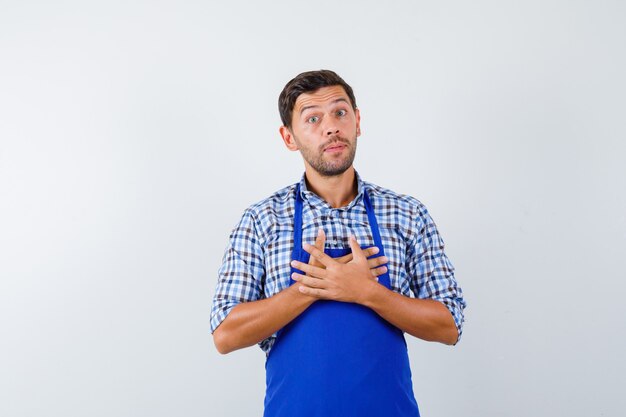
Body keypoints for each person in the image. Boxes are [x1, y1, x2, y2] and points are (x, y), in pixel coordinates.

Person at [210, 69, 466, 417]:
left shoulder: (407, 214)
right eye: (313, 118)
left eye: (340, 112)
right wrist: (313, 288)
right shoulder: (262, 220)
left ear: (357, 121)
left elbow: (449, 324)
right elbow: (225, 333)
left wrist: (368, 292)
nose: (331, 127)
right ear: (289, 137)